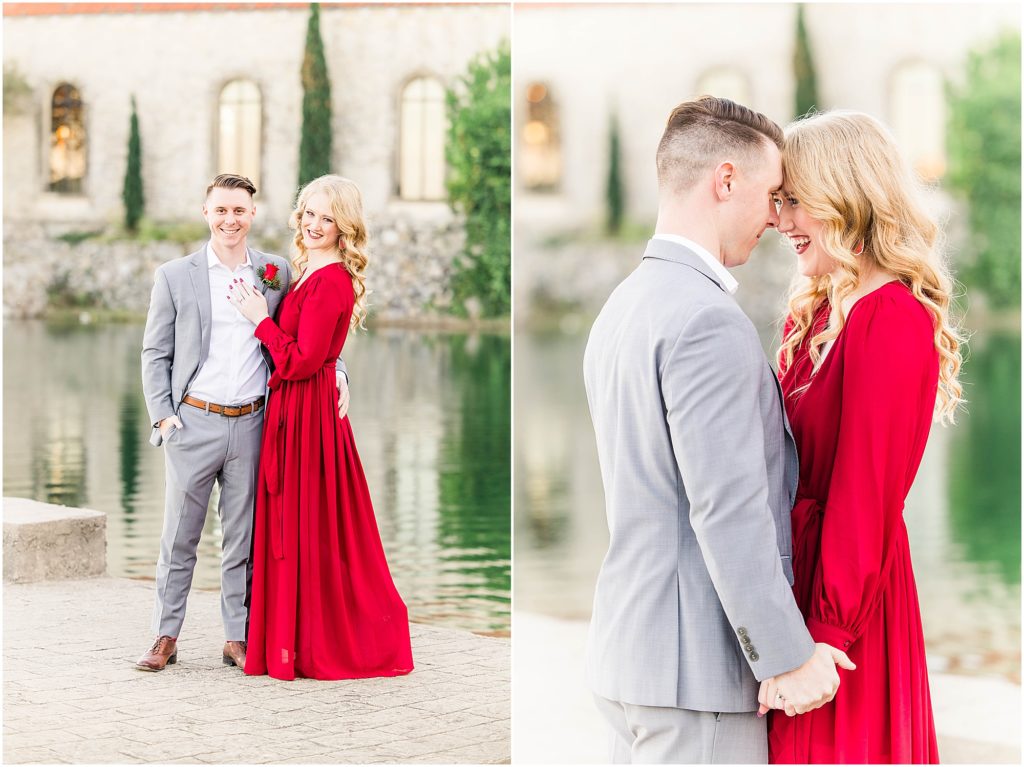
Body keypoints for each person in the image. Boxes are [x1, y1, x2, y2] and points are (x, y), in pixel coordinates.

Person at [582, 96, 854, 764]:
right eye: (770, 194)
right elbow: (726, 509)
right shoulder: (706, 320)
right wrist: (787, 656)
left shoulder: (625, 305)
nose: (774, 216)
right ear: (725, 180)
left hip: (631, 656)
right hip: (694, 673)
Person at [767, 110, 963, 763]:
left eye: (794, 199)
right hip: (805, 583)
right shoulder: (825, 311)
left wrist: (826, 638)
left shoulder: (891, 317)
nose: (781, 219)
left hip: (847, 609)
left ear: (842, 193)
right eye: (778, 200)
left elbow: (864, 495)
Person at [138, 173, 350, 672]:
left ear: (253, 215)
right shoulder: (175, 275)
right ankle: (165, 635)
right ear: (206, 214)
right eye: (221, 211)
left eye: (239, 210)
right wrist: (164, 417)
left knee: (244, 537)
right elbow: (155, 351)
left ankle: (238, 636)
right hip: (194, 423)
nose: (230, 220)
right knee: (179, 538)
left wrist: (338, 369)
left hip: (254, 424)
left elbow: (307, 331)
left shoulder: (276, 271)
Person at [229, 174, 414, 681]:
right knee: (296, 528)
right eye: (308, 213)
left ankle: (312, 645)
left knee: (307, 528)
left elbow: (301, 360)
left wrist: (257, 318)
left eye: (326, 218)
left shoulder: (331, 281)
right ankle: (290, 642)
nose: (313, 224)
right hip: (294, 411)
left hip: (307, 417)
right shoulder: (307, 271)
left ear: (343, 227)